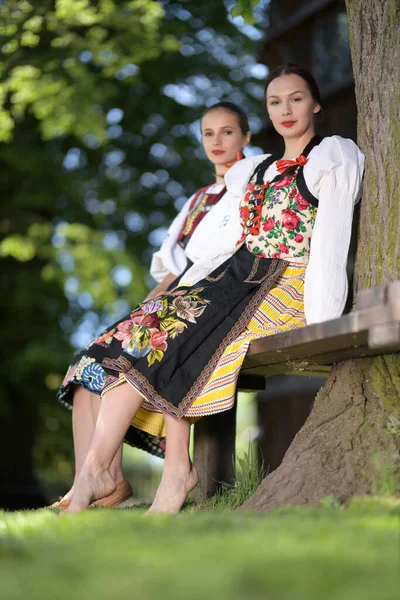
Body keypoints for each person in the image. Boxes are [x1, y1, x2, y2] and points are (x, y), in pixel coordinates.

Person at [62, 64, 364, 515]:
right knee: (140, 336)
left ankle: (172, 475)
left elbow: (333, 239)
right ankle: (96, 472)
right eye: (275, 101)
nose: (285, 109)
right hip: (237, 273)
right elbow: (230, 244)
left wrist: (323, 321)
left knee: (179, 338)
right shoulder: (256, 170)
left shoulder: (331, 156)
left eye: (296, 98)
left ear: (316, 104)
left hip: (284, 280)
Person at [53, 102, 251, 509]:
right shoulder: (197, 199)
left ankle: (106, 477)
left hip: (214, 293)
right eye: (208, 133)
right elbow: (173, 268)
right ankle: (97, 481)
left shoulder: (251, 185)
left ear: (245, 137)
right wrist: (143, 309)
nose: (217, 141)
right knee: (89, 361)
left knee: (149, 348)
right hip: (175, 291)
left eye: (227, 132)